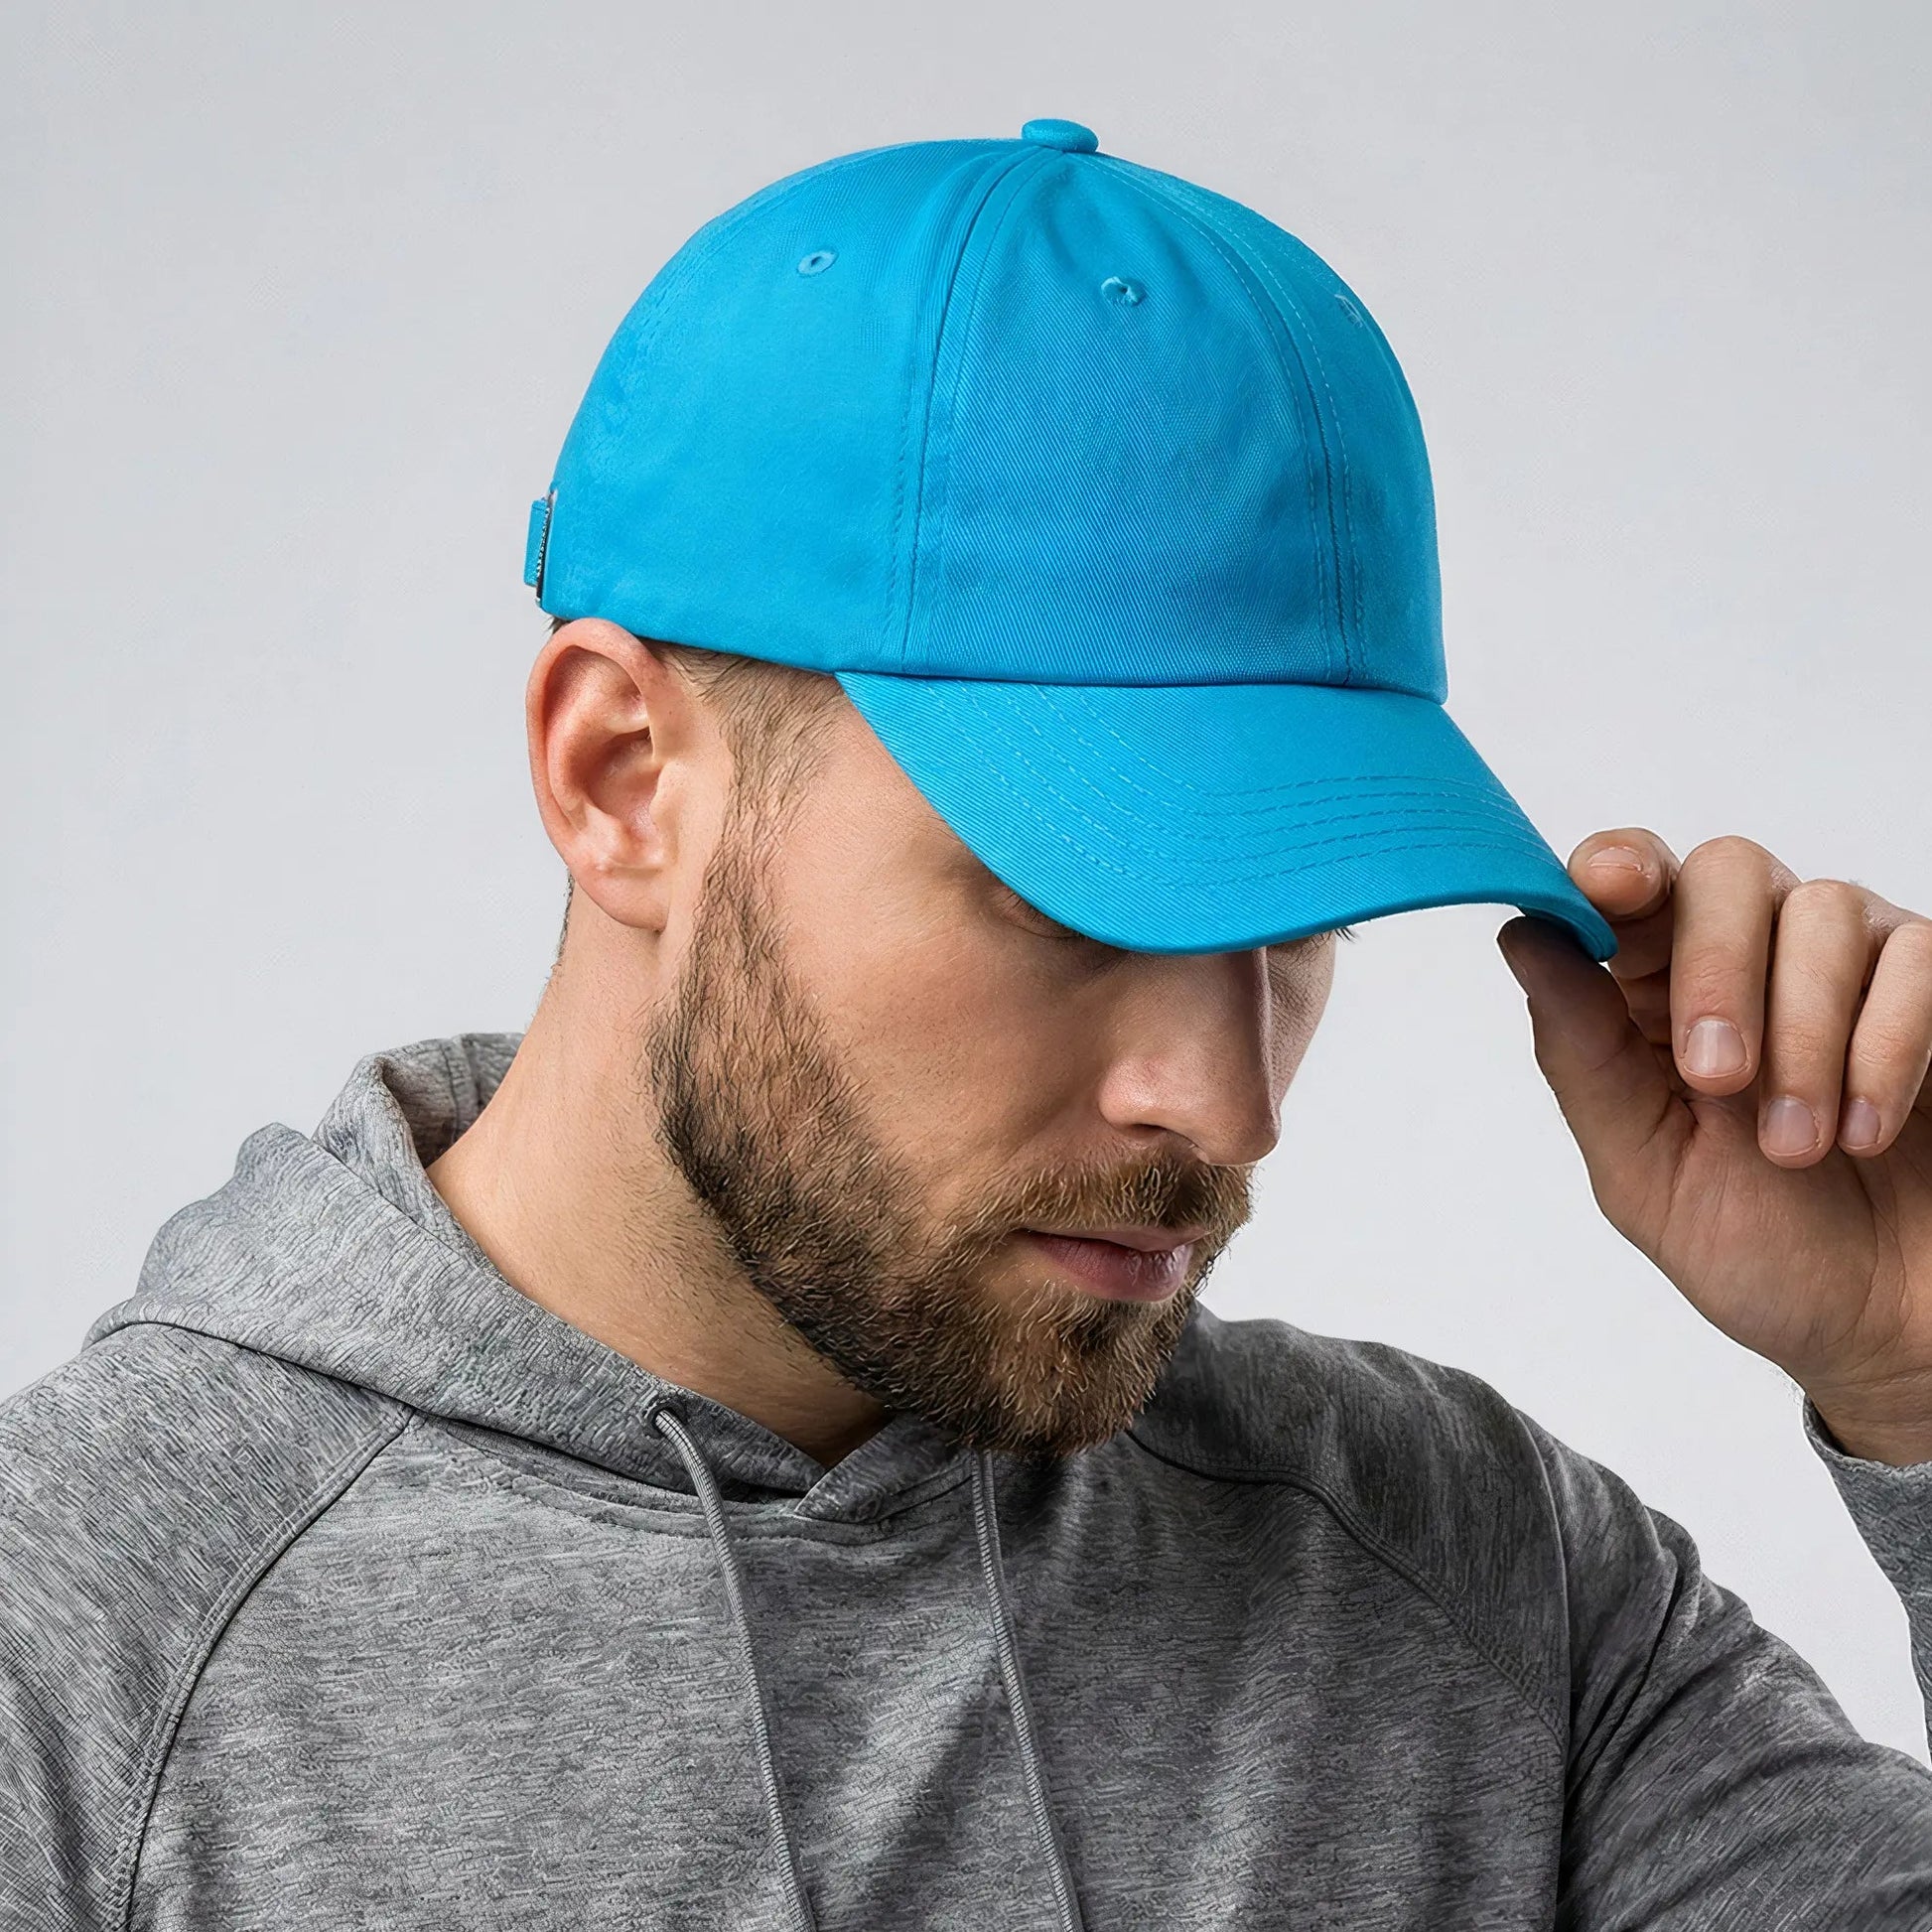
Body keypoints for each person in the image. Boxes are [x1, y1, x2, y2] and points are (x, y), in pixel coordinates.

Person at [4, 117, 1931, 1929]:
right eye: (1064, 890)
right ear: (620, 777)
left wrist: (1921, 1380)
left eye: (1299, 915)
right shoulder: (78, 1662)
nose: (1228, 1101)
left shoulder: (1472, 1575)